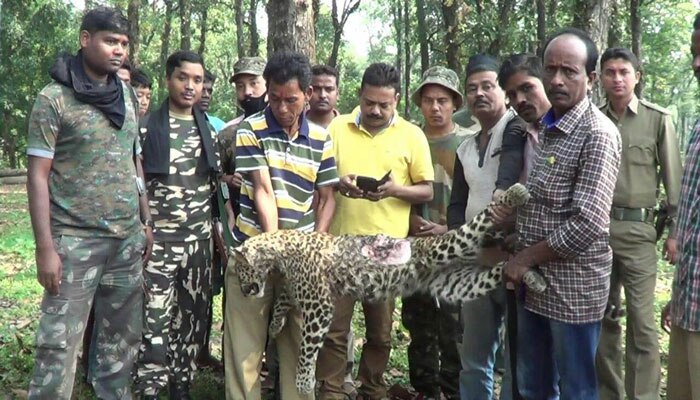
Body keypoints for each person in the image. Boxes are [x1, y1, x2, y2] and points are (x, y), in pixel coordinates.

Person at [26, 7, 153, 399]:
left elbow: (134, 159)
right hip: (74, 242)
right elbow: (37, 175)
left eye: (124, 44)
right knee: (58, 348)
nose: (119, 51)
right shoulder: (54, 100)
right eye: (110, 41)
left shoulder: (127, 95)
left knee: (119, 345)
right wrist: (46, 249)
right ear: (85, 40)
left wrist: (145, 220)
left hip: (125, 241)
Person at [499, 28, 621, 400]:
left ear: (591, 78)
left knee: (577, 388)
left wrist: (523, 258)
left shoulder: (597, 133)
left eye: (569, 71)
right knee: (533, 384)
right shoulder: (546, 127)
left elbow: (587, 224)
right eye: (551, 69)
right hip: (534, 287)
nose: (557, 80)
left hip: (573, 290)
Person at [223, 51, 338, 400]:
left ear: (307, 95)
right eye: (274, 98)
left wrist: (313, 249)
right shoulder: (251, 130)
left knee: (299, 348)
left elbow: (327, 196)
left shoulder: (322, 137)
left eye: (291, 99)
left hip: (302, 258)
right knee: (244, 349)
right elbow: (262, 190)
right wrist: (276, 249)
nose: (283, 107)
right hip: (254, 251)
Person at [316, 62, 434, 400]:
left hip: (388, 252)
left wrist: (395, 190)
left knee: (380, 333)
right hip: (340, 249)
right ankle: (332, 390)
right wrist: (340, 183)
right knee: (334, 330)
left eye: (384, 104)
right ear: (359, 96)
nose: (376, 110)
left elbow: (426, 190)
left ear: (396, 99)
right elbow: (318, 178)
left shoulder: (412, 135)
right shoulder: (337, 128)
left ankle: (373, 388)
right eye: (370, 103)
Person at [595, 47, 682, 400]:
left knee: (643, 325)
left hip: (639, 233)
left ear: (637, 77)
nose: (617, 79)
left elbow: (675, 182)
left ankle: (642, 396)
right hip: (597, 233)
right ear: (599, 77)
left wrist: (675, 231)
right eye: (610, 72)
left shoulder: (657, 119)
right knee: (604, 320)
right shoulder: (592, 119)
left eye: (624, 72)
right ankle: (610, 394)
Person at [134, 50, 219, 398]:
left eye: (197, 80)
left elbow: (215, 188)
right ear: (169, 79)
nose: (190, 86)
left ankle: (180, 385)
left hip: (198, 244)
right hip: (159, 244)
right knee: (153, 320)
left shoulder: (210, 131)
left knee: (191, 321)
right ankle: (150, 387)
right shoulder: (145, 127)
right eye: (183, 78)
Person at [446, 55, 527, 400]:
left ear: (504, 92)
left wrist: (501, 196)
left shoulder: (516, 127)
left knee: (515, 355)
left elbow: (510, 165)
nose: (479, 93)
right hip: (476, 260)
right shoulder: (465, 147)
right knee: (475, 353)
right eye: (472, 88)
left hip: (512, 253)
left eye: (488, 86)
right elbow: (456, 204)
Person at [402, 66, 469, 400]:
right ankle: (424, 389)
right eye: (428, 100)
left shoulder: (468, 142)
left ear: (454, 103)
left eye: (442, 100)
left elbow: (477, 197)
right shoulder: (408, 138)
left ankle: (453, 389)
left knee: (454, 326)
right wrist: (411, 220)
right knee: (419, 321)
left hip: (455, 246)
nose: (435, 107)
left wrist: (448, 228)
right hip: (414, 247)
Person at [660, 12, 700, 400]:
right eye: (694, 53)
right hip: (690, 304)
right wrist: (677, 294)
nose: (697, 63)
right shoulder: (699, 130)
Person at [218, 56, 268, 230]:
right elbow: (213, 178)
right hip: (240, 227)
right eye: (240, 86)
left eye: (254, 83)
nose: (247, 92)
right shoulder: (228, 133)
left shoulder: (285, 129)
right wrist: (229, 179)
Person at [498, 54, 551, 177]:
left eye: (527, 88)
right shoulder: (520, 137)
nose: (519, 100)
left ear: (546, 82)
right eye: (511, 95)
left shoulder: (573, 132)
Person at [307, 64, 340, 128]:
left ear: (338, 94)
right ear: (308, 93)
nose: (323, 95)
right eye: (316, 89)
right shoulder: (295, 126)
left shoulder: (347, 128)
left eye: (329, 89)